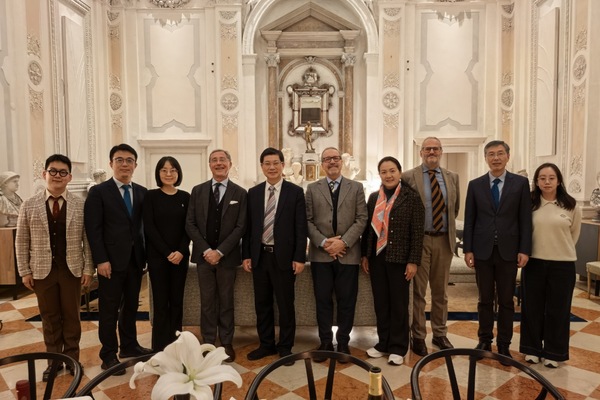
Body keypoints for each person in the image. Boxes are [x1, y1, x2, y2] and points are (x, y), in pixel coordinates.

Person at [15, 154, 93, 381]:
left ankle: (72, 360)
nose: (57, 176)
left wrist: (88, 269)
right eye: (53, 171)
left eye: (62, 172)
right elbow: (22, 240)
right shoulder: (29, 204)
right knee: (49, 318)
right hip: (41, 271)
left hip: (71, 270)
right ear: (44, 174)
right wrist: (24, 271)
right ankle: (54, 361)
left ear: (69, 177)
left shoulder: (79, 205)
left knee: (72, 317)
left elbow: (87, 239)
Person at [84, 143, 152, 374]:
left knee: (131, 306)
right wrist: (101, 260)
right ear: (111, 163)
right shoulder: (99, 192)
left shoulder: (142, 192)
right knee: (109, 310)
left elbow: (143, 228)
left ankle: (129, 345)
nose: (125, 164)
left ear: (135, 165)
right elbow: (93, 229)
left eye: (129, 160)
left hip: (135, 261)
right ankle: (108, 354)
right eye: (119, 160)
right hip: (110, 263)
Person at [463, 140, 532, 360]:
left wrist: (524, 249)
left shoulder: (520, 184)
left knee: (506, 301)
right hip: (482, 251)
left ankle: (504, 344)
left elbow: (525, 219)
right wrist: (468, 249)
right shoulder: (475, 185)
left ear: (507, 156)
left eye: (500, 153)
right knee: (484, 299)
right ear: (485, 158)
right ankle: (484, 340)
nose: (495, 158)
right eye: (491, 154)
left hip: (509, 251)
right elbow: (470, 219)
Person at [242, 147, 307, 365]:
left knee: (286, 305)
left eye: (275, 163)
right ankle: (266, 344)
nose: (271, 167)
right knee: (262, 304)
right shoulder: (253, 193)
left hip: (284, 258)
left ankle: (285, 347)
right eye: (267, 163)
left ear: (282, 165)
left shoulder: (295, 192)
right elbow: (248, 228)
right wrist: (246, 255)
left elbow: (300, 228)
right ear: (262, 167)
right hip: (260, 256)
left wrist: (299, 257)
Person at [361, 156, 424, 366]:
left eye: (392, 171)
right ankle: (383, 343)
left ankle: (398, 346)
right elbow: (368, 230)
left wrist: (413, 261)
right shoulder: (373, 197)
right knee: (381, 303)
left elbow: (417, 232)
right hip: (377, 258)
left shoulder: (411, 197)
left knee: (398, 304)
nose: (388, 175)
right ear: (379, 174)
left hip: (400, 259)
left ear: (399, 172)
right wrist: (365, 255)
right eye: (384, 172)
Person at [306, 147, 367, 359]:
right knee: (322, 300)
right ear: (322, 164)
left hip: (348, 255)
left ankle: (342, 342)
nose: (332, 162)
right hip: (320, 255)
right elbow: (307, 220)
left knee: (347, 301)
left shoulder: (356, 187)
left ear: (341, 161)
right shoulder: (312, 189)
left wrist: (344, 243)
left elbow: (362, 218)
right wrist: (325, 243)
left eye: (335, 158)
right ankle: (325, 341)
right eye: (327, 159)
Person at [185, 149, 247, 362]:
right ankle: (209, 341)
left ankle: (227, 342)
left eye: (222, 160)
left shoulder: (240, 193)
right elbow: (190, 224)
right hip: (204, 257)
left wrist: (220, 251)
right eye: (214, 160)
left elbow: (241, 227)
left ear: (230, 163)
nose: (218, 163)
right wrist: (206, 250)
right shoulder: (198, 190)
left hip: (227, 257)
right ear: (209, 164)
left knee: (227, 300)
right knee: (207, 301)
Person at [401, 137, 460, 356]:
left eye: (435, 148)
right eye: (427, 149)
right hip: (420, 240)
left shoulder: (452, 177)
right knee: (418, 292)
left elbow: (454, 209)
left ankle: (440, 333)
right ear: (421, 153)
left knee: (441, 292)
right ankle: (418, 336)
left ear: (441, 151)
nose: (431, 152)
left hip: (444, 240)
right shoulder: (408, 177)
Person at [519, 163, 581, 368]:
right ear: (536, 182)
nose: (547, 182)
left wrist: (559, 250)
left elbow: (573, 235)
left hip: (562, 265)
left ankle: (554, 352)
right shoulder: (529, 204)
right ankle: (532, 349)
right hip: (534, 262)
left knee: (558, 310)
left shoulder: (571, 206)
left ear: (559, 181)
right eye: (542, 178)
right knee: (532, 308)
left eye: (551, 178)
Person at [143, 156, 190, 352]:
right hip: (158, 258)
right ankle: (159, 349)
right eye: (164, 170)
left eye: (173, 170)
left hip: (180, 258)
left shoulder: (186, 197)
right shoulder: (150, 196)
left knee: (177, 302)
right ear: (158, 173)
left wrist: (180, 251)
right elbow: (149, 227)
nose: (169, 174)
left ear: (178, 173)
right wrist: (167, 252)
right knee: (161, 303)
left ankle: (177, 347)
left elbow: (189, 227)